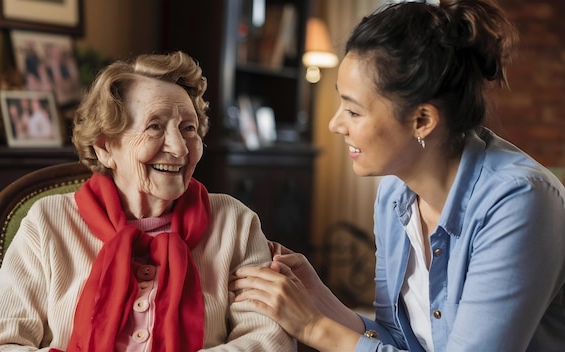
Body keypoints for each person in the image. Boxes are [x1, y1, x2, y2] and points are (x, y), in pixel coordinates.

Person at [230, 0, 565, 351]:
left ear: (422, 120)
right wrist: (319, 300)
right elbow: (399, 340)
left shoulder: (520, 201)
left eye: (354, 111)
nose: (335, 124)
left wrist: (314, 327)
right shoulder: (395, 193)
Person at [0, 51, 296, 351]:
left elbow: (268, 340)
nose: (180, 148)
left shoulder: (234, 223)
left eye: (188, 128)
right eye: (155, 126)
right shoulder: (48, 222)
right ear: (105, 147)